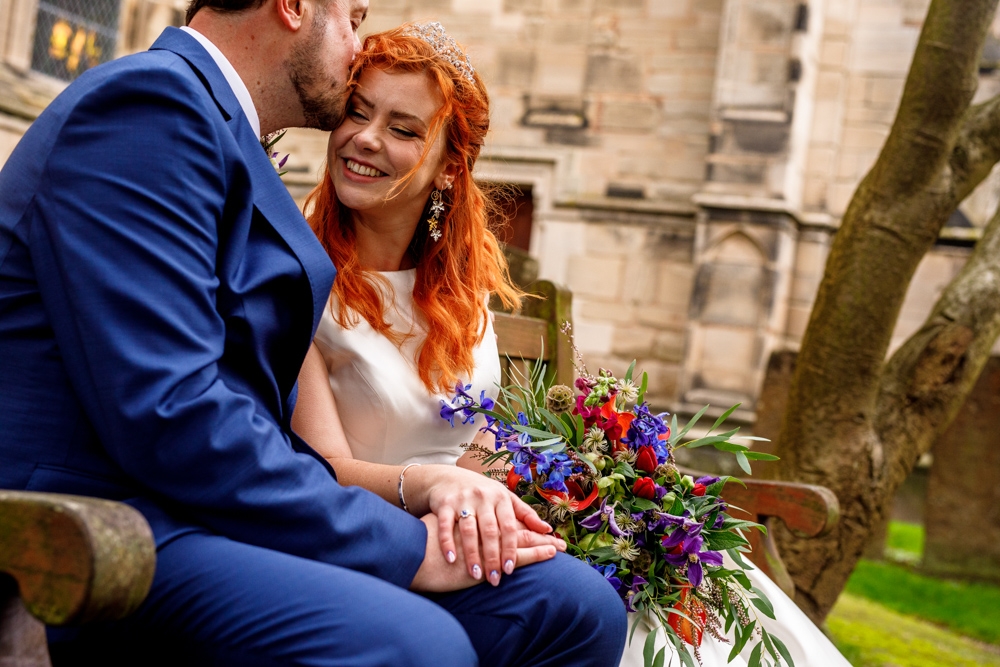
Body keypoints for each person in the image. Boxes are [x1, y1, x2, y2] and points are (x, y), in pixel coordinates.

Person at [0, 0, 626, 664]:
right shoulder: (150, 105)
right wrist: (404, 541)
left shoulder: (214, 125)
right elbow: (173, 413)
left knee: (574, 607)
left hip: (204, 502)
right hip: (96, 523)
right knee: (419, 647)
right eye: (353, 17)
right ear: (294, 7)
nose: (359, 46)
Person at [294, 20, 851, 667]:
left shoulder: (457, 286)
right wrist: (443, 488)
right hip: (382, 538)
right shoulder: (300, 273)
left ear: (449, 167)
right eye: (357, 113)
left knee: (691, 593)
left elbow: (482, 423)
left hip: (484, 528)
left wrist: (526, 484)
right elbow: (323, 465)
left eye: (403, 128)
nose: (365, 138)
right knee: (589, 604)